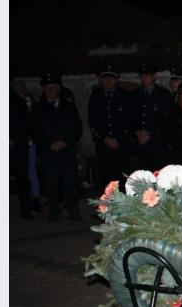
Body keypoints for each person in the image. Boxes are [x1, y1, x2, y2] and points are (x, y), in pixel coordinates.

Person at [31, 70, 83, 221]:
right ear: (43, 89)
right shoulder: (38, 108)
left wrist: (65, 141)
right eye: (47, 87)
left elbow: (76, 128)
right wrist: (49, 144)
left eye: (53, 87)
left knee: (70, 184)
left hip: (67, 152)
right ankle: (54, 212)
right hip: (49, 153)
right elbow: (35, 131)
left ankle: (73, 211)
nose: (50, 90)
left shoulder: (68, 106)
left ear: (59, 88)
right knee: (51, 185)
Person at [88, 63, 131, 187]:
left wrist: (118, 138)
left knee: (122, 179)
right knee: (106, 179)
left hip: (121, 145)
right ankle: (107, 205)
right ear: (101, 80)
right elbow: (92, 121)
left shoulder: (124, 96)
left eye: (111, 78)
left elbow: (128, 121)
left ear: (116, 80)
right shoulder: (96, 97)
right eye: (105, 78)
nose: (108, 81)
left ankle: (123, 206)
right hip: (103, 145)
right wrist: (105, 138)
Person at [131, 61, 173, 171]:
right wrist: (137, 132)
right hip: (141, 144)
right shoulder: (136, 95)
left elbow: (166, 119)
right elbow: (131, 116)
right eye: (142, 76)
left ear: (154, 77)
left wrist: (151, 134)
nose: (144, 78)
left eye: (147, 75)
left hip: (157, 143)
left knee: (158, 175)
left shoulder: (163, 94)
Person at [10, 86, 32, 219]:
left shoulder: (19, 101)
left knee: (22, 180)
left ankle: (26, 211)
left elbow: (25, 123)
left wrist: (13, 138)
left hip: (17, 146)